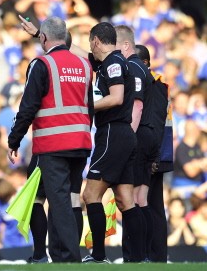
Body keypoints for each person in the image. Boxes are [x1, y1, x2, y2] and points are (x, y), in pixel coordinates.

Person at [8, 16, 93, 262]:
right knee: (71, 198)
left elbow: (28, 107)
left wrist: (14, 140)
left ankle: (68, 257)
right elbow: (90, 108)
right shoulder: (84, 65)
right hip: (80, 142)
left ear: (43, 38)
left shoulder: (42, 64)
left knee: (57, 201)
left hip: (53, 144)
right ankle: (59, 255)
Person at [82, 22, 146, 263]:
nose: (90, 47)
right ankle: (139, 260)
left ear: (97, 41)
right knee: (125, 200)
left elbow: (116, 98)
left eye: (91, 42)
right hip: (123, 136)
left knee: (90, 195)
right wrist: (39, 35)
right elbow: (78, 52)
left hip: (112, 134)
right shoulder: (112, 62)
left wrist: (85, 107)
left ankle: (98, 257)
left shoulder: (113, 63)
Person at [115, 25, 158, 262]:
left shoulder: (132, 66)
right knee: (140, 200)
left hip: (138, 135)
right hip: (148, 135)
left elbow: (137, 106)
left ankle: (137, 256)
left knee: (132, 201)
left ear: (125, 46)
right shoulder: (142, 68)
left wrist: (126, 138)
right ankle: (143, 256)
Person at [135, 44, 173, 262]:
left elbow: (157, 124)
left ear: (146, 63)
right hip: (154, 153)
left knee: (152, 205)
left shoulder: (156, 85)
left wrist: (156, 157)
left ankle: (155, 256)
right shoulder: (154, 84)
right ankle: (148, 254)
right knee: (147, 202)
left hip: (154, 155)